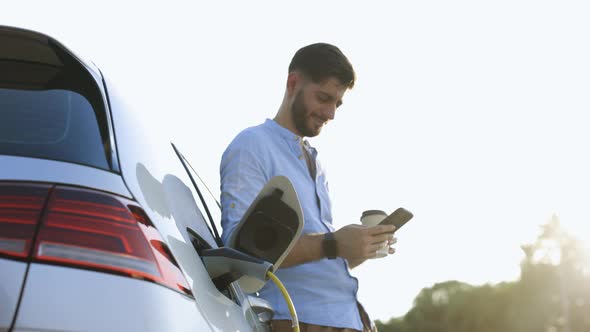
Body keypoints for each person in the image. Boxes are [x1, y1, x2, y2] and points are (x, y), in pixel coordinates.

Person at [220, 43, 397, 332]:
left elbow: (316, 260)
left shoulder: (316, 164)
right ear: (293, 83)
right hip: (297, 321)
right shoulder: (252, 145)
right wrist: (333, 243)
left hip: (350, 320)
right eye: (324, 98)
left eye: (337, 103)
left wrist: (358, 247)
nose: (331, 113)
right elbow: (241, 258)